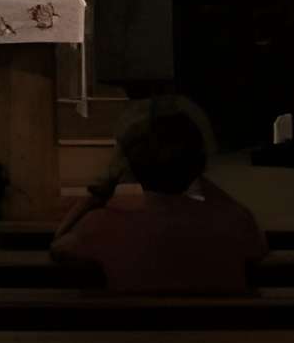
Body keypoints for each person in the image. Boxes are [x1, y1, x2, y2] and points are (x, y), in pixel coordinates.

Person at [47, 108, 267, 295]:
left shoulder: (100, 225)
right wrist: (197, 171)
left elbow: (58, 245)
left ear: (130, 167)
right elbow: (259, 246)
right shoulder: (234, 221)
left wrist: (102, 189)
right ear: (198, 164)